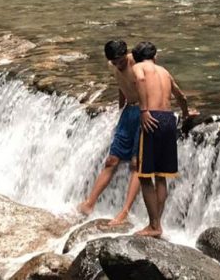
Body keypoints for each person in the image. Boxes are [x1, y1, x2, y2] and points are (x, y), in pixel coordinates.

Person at [131, 40, 196, 238]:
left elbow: (141, 80)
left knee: (143, 176)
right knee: (160, 176)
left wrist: (143, 110)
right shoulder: (164, 71)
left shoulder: (138, 67)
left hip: (151, 117)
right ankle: (156, 223)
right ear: (155, 56)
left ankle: (154, 226)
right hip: (169, 119)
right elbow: (181, 96)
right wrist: (185, 115)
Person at [77, 40, 142, 224]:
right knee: (112, 160)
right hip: (129, 112)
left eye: (121, 61)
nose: (119, 65)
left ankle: (125, 211)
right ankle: (89, 203)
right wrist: (121, 110)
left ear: (126, 55)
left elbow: (156, 82)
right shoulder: (112, 66)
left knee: (137, 164)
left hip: (144, 111)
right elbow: (121, 85)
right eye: (115, 62)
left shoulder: (137, 63)